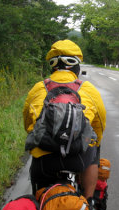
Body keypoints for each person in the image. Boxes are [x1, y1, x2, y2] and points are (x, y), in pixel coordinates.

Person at [23, 40, 106, 199]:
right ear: (76, 65)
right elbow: (100, 124)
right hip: (79, 158)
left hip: (44, 160)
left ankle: (39, 204)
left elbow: (28, 123)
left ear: (53, 65)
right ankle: (88, 204)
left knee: (38, 203)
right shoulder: (88, 89)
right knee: (94, 147)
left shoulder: (38, 88)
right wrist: (94, 142)